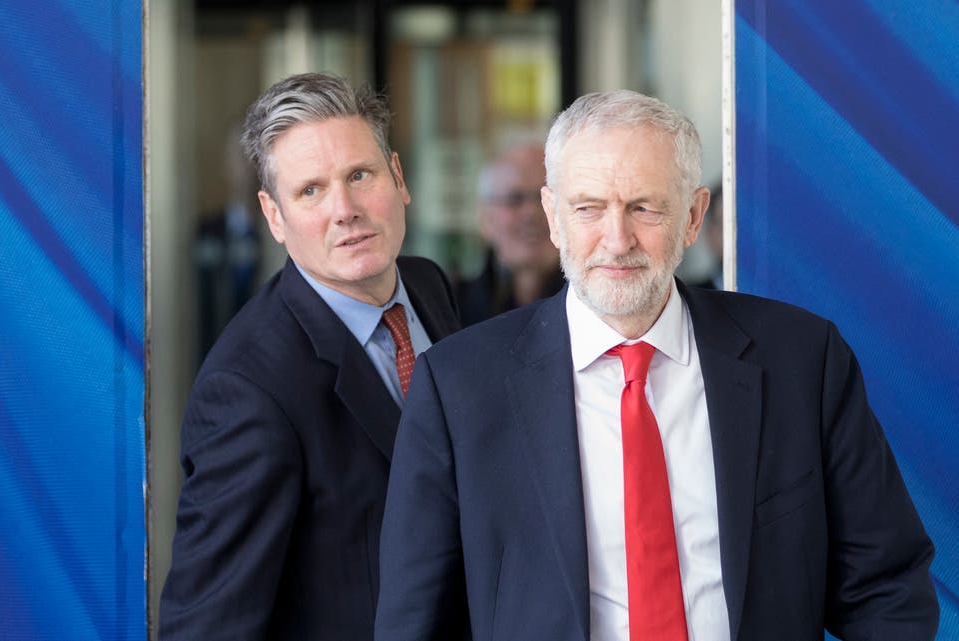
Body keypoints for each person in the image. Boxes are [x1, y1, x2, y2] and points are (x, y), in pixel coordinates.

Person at [375, 90, 938, 641]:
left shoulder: (802, 360)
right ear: (553, 215)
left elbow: (885, 586)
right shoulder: (459, 387)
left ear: (693, 217)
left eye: (644, 207)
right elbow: (416, 620)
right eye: (588, 208)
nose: (617, 240)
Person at [159, 72, 460, 640]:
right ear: (274, 216)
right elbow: (207, 626)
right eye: (311, 191)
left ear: (397, 177)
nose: (344, 209)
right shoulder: (247, 390)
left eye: (359, 175)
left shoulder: (427, 287)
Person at [456, 143, 563, 326]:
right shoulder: (452, 310)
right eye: (514, 199)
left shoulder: (599, 308)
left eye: (544, 198)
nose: (532, 212)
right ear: (485, 218)